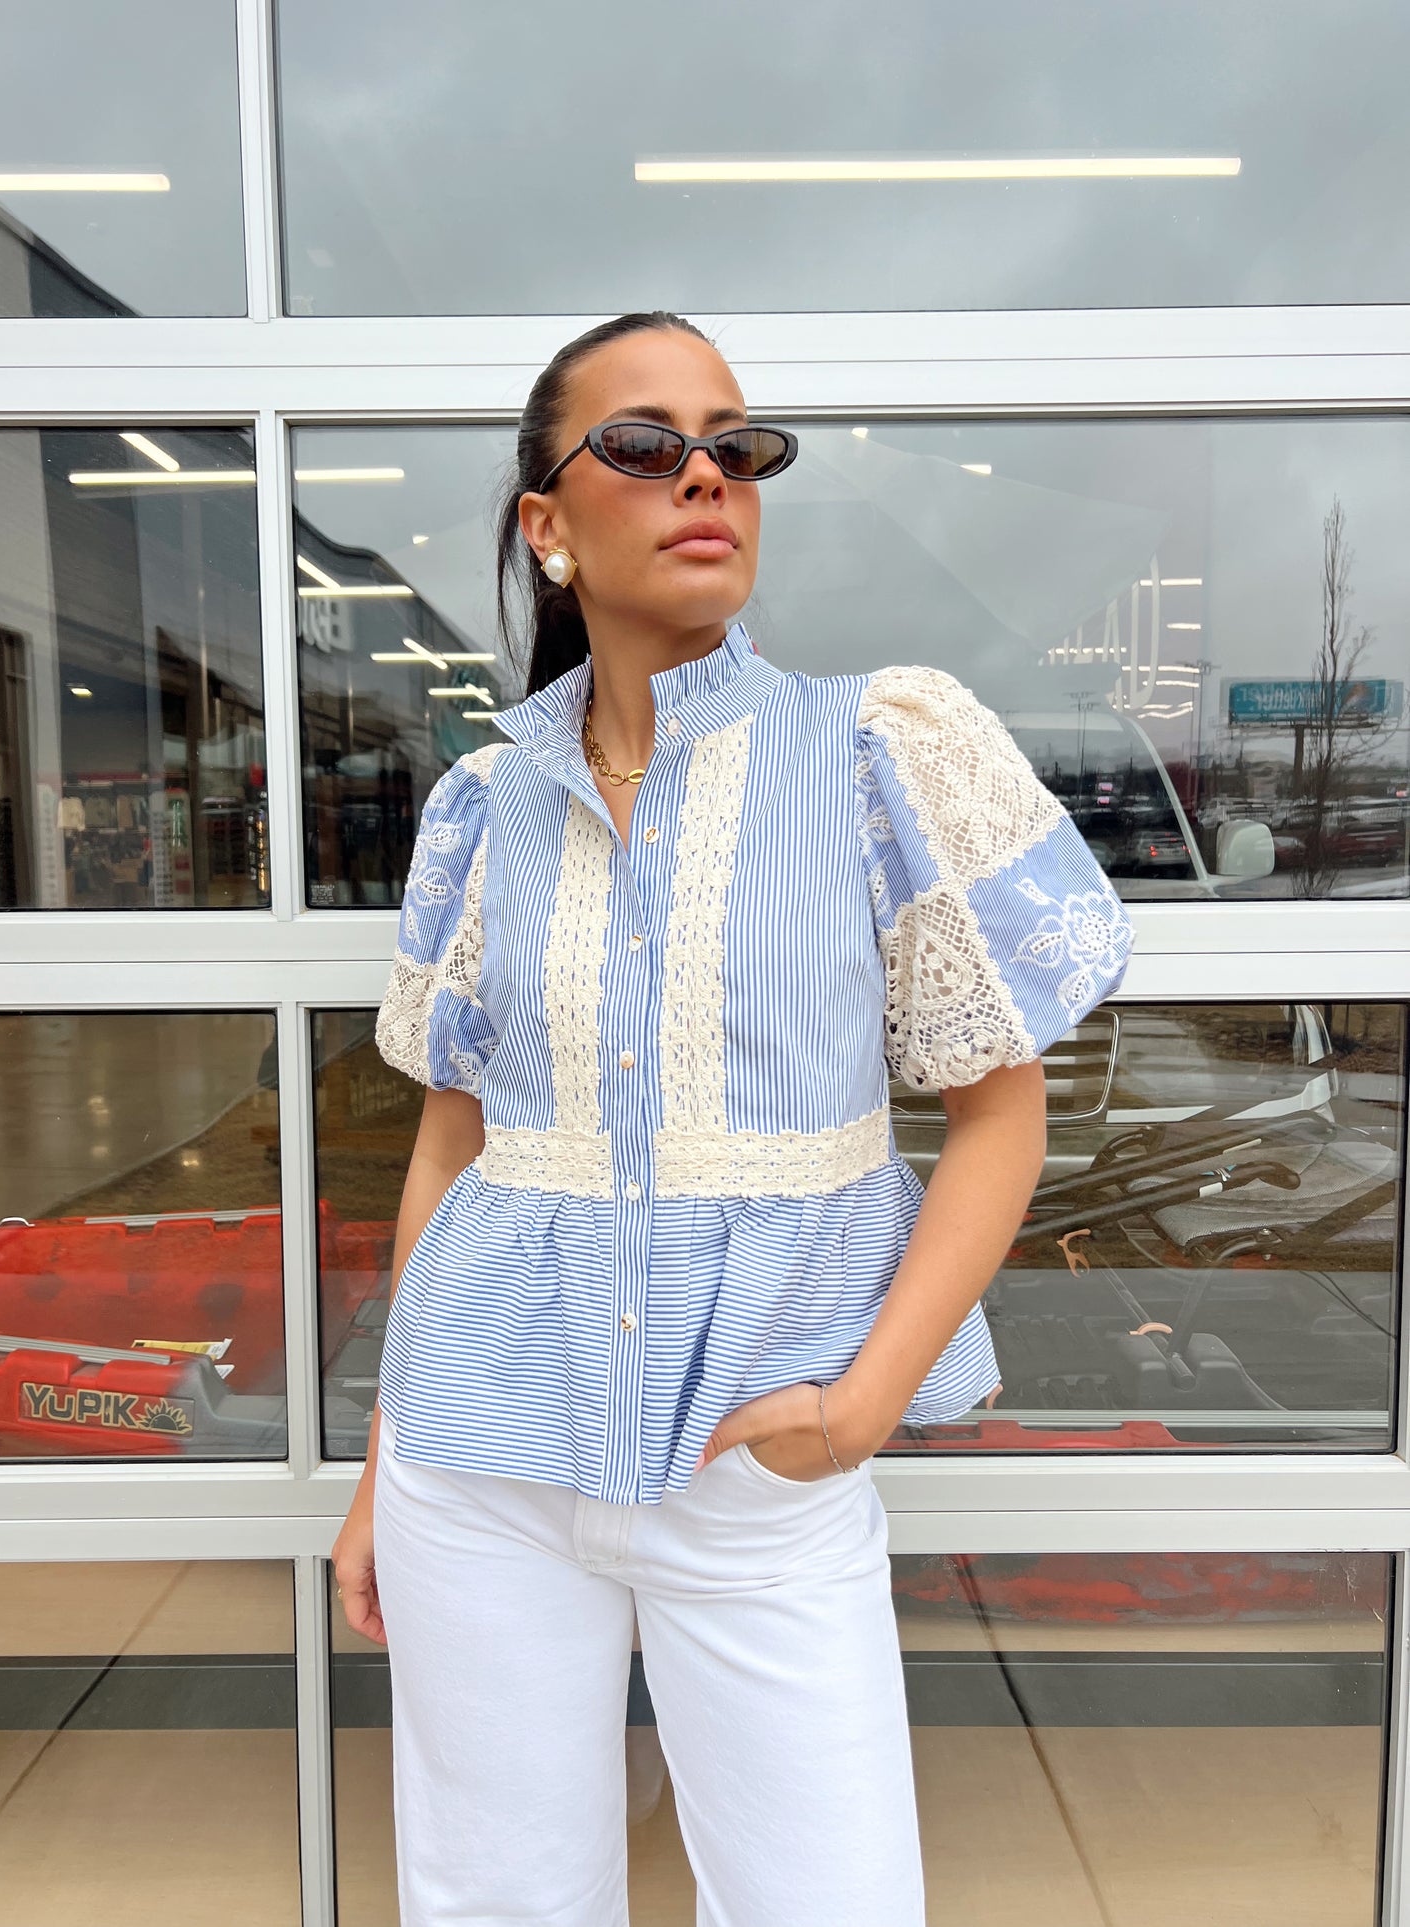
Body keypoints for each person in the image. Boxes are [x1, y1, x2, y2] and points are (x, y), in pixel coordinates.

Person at [332, 309, 1135, 1925]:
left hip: (758, 1455)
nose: (705, 473)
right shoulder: (483, 807)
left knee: (822, 1898)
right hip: (475, 1460)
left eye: (735, 444)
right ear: (548, 528)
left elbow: (999, 1118)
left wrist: (858, 1409)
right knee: (490, 1894)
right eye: (643, 444)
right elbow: (454, 1136)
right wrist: (377, 1460)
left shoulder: (874, 752)